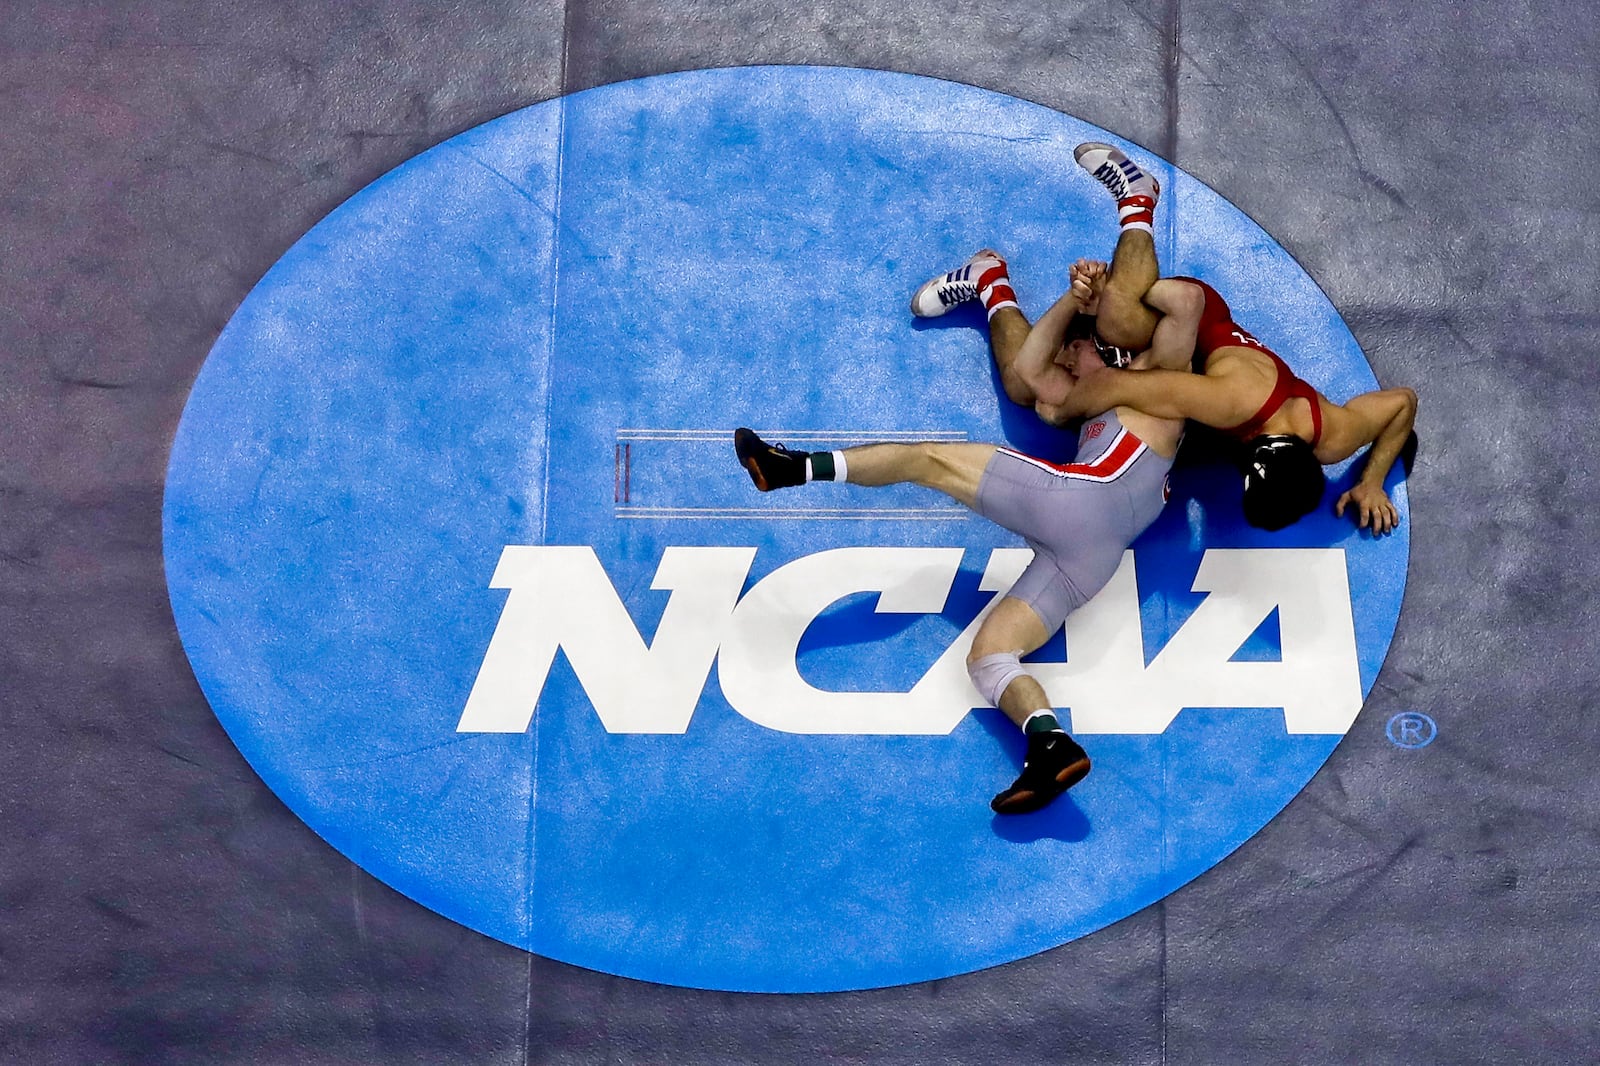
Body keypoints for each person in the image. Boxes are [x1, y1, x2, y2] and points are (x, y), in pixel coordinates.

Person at [735, 256, 1189, 815]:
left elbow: (1179, 307)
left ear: (1115, 349)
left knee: (926, 460)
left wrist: (1092, 297)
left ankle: (794, 467)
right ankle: (1049, 743)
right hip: (1095, 556)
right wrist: (1079, 302)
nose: (1069, 356)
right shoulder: (1107, 400)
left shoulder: (1155, 380)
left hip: (1078, 500)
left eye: (1078, 347)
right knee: (990, 658)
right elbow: (1031, 366)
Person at [1054, 142, 1418, 533]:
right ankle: (1138, 203)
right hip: (1194, 315)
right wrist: (1062, 413)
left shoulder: (1335, 437)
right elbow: (1118, 385)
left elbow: (1403, 404)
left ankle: (1113, 293)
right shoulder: (1228, 402)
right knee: (1117, 325)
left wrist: (1372, 482)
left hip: (1214, 378)